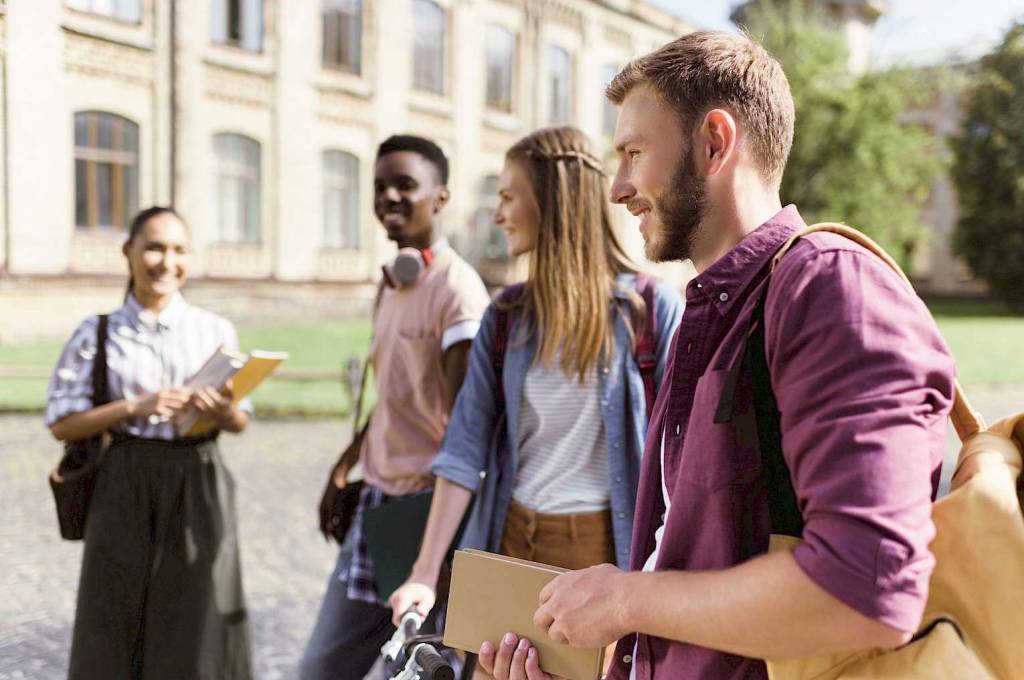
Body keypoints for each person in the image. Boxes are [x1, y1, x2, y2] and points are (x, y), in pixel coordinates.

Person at [478, 31, 957, 680]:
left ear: (713, 143)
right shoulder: (707, 319)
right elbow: (680, 569)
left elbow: (866, 587)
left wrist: (624, 600)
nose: (616, 188)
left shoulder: (829, 288)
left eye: (633, 152)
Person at [388, 126, 684, 669]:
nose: (497, 215)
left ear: (551, 200)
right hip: (508, 541)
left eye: (507, 196)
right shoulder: (506, 316)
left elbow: (682, 464)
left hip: (599, 554)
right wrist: (424, 573)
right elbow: (463, 451)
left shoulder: (647, 309)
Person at [300, 135, 491, 680]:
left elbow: (466, 427)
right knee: (323, 668)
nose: (389, 196)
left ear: (441, 197)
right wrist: (342, 467)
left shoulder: (458, 292)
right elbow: (390, 396)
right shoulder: (391, 284)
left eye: (405, 185)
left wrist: (438, 553)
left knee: (406, 671)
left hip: (421, 515)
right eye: (380, 186)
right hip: (377, 505)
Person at [46, 206, 254, 679]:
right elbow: (61, 422)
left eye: (179, 250)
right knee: (114, 613)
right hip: (124, 478)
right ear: (130, 253)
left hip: (198, 477)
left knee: (197, 614)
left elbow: (240, 421)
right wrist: (133, 407)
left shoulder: (214, 330)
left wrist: (221, 411)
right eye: (154, 247)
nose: (166, 262)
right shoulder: (97, 333)